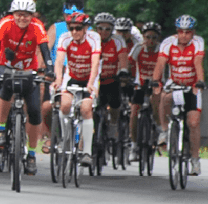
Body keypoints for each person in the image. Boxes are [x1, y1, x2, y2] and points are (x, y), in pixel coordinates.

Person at [0, 0, 53, 176]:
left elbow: (45, 49)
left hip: (29, 69)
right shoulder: (5, 24)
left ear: (32, 16)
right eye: (19, 15)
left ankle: (30, 153)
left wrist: (50, 68)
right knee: (5, 89)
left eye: (26, 15)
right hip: (5, 65)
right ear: (13, 15)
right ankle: (0, 128)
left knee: (35, 111)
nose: (22, 18)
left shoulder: (37, 27)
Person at [152, 15, 205, 175]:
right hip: (175, 82)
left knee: (193, 122)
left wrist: (200, 81)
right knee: (164, 96)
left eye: (188, 32)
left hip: (192, 84)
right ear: (177, 31)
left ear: (193, 33)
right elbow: (160, 64)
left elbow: (198, 62)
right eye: (181, 32)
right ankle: (164, 130)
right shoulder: (168, 43)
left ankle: (195, 160)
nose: (184, 35)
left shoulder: (198, 42)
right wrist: (156, 81)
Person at [52, 12, 100, 163]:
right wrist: (58, 78)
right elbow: (59, 61)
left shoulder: (94, 38)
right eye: (70, 28)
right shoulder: (65, 38)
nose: (74, 32)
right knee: (64, 105)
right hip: (71, 75)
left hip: (89, 77)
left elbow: (95, 63)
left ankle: (86, 152)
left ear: (85, 28)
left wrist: (91, 83)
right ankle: (65, 139)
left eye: (78, 28)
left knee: (86, 108)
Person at [42, 0, 85, 150]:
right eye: (68, 15)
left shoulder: (88, 30)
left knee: (84, 107)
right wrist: (43, 68)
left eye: (75, 14)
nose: (71, 18)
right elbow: (45, 49)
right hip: (57, 73)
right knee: (47, 107)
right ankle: (50, 136)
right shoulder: (56, 28)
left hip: (80, 73)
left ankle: (82, 140)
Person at [92, 12, 130, 154]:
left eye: (107, 29)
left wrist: (124, 70)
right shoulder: (91, 39)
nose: (103, 32)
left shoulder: (118, 40)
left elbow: (123, 58)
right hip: (95, 81)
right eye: (100, 28)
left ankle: (113, 125)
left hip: (111, 78)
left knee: (115, 104)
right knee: (92, 109)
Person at [128, 21, 163, 159]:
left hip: (157, 84)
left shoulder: (161, 50)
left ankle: (159, 130)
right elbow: (128, 64)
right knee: (133, 113)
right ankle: (134, 146)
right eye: (148, 37)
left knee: (155, 106)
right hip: (140, 83)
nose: (150, 40)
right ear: (143, 37)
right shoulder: (138, 48)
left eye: (154, 38)